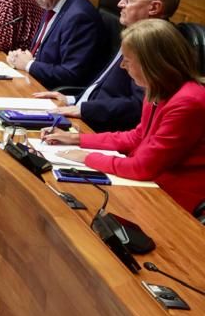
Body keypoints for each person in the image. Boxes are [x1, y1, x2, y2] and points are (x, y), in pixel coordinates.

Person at [43, 19, 205, 212]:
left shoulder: (187, 102)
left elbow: (142, 167)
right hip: (148, 183)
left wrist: (87, 157)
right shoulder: (158, 88)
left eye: (127, 61)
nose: (122, 66)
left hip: (174, 200)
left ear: (150, 63)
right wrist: (75, 139)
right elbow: (137, 137)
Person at [35, 0, 181, 132]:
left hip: (100, 129)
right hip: (84, 115)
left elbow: (138, 105)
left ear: (154, 7)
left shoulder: (156, 45)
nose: (120, 4)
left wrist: (84, 109)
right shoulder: (135, 32)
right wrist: (71, 99)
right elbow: (104, 88)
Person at [5, 0, 107, 85]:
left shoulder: (80, 18)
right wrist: (21, 57)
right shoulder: (51, 4)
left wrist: (29, 64)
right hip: (34, 80)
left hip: (51, 90)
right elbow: (42, 52)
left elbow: (70, 74)